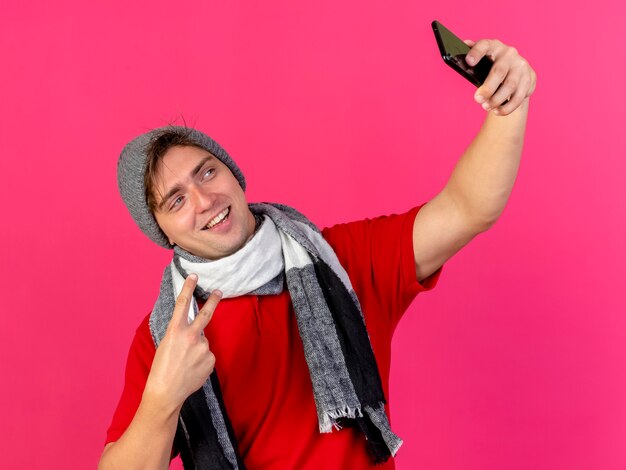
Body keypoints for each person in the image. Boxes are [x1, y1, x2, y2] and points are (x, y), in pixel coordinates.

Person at [99, 38, 536, 469]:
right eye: (176, 201)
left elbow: (467, 209)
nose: (203, 199)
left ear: (233, 174)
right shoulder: (168, 340)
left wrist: (509, 107)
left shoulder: (339, 260)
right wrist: (162, 400)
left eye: (207, 172)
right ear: (164, 234)